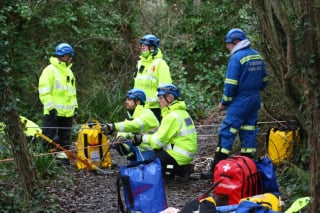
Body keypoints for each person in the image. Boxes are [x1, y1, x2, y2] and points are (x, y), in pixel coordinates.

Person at [202, 28, 268, 179]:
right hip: (254, 99)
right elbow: (265, 80)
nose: (228, 47)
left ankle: (216, 169)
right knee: (249, 132)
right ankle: (248, 169)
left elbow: (230, 84)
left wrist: (225, 102)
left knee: (227, 132)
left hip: (240, 101)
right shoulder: (257, 55)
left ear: (236, 42)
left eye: (229, 44)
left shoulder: (237, 58)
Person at [132, 84, 198, 181]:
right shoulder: (181, 112)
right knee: (157, 154)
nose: (159, 100)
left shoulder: (172, 116)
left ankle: (181, 170)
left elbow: (158, 142)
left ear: (170, 98)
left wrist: (142, 138)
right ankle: (180, 169)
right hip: (185, 152)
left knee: (152, 163)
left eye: (161, 97)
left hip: (179, 154)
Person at [38, 42, 78, 162]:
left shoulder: (69, 72)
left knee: (64, 139)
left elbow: (72, 92)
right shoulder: (49, 71)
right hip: (53, 112)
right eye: (69, 56)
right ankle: (44, 161)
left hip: (67, 113)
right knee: (48, 137)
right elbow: (44, 91)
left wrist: (75, 107)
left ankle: (62, 160)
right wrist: (51, 108)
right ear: (65, 56)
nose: (70, 58)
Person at [103, 88, 160, 162]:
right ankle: (133, 160)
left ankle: (138, 162)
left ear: (138, 102)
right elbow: (125, 131)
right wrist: (117, 136)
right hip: (138, 146)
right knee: (119, 144)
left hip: (149, 149)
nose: (126, 102)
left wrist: (114, 126)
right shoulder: (132, 114)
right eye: (126, 99)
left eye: (129, 100)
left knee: (143, 169)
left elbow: (134, 125)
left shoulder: (146, 113)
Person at [133, 34, 172, 122]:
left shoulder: (160, 64)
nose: (142, 47)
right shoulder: (140, 64)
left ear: (152, 48)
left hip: (155, 108)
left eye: (145, 45)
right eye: (141, 45)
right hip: (140, 107)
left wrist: (164, 107)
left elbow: (165, 87)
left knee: (153, 134)